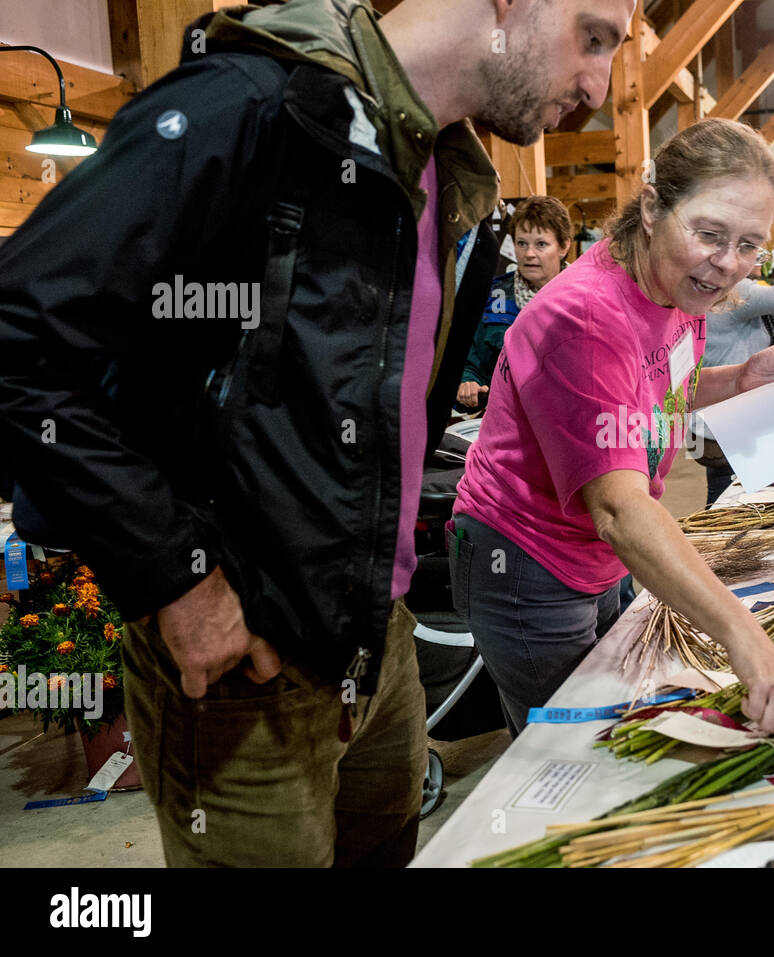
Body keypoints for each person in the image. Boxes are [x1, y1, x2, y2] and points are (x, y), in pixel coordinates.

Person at [0, 0, 636, 867]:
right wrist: (174, 581)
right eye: (591, 36)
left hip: (382, 638)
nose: (598, 85)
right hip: (245, 666)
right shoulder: (252, 106)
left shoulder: (450, 180)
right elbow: (19, 338)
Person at [447, 118, 774, 766]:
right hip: (526, 555)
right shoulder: (585, 318)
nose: (730, 263)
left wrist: (737, 377)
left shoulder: (673, 284)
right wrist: (745, 638)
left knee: (618, 722)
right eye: (712, 233)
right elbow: (619, 509)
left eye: (751, 244)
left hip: (590, 550)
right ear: (652, 206)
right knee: (573, 758)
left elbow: (651, 387)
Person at [692, 267, 774, 504]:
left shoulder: (706, 290)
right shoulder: (735, 289)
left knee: (722, 487)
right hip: (731, 418)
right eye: (751, 247)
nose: (758, 260)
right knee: (728, 493)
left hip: (713, 414)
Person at [457, 196, 573, 410]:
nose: (529, 254)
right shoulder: (494, 296)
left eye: (541, 244)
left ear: (564, 246)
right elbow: (474, 366)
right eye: (521, 243)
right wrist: (469, 384)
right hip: (510, 421)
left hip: (571, 420)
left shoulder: (586, 296)